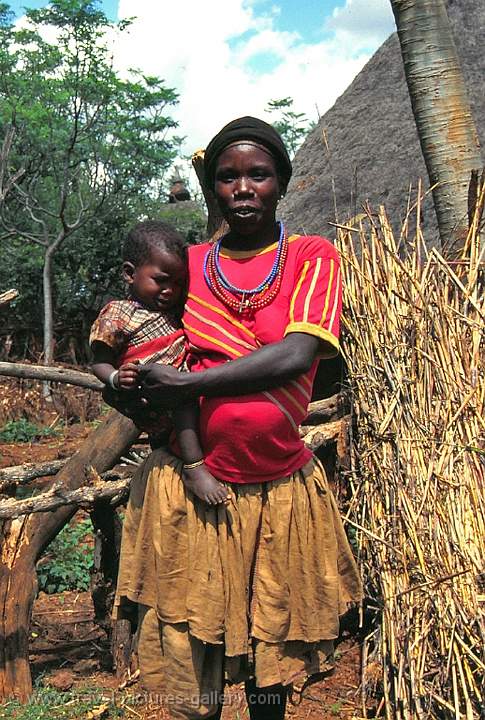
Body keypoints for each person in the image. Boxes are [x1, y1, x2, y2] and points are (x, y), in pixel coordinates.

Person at [112, 117, 362, 720]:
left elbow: (296, 354)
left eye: (259, 174)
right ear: (212, 189)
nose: (243, 188)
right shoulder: (185, 264)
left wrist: (189, 381)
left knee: (267, 648)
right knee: (196, 649)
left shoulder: (311, 257)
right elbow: (129, 336)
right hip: (193, 486)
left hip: (278, 489)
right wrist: (127, 383)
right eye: (228, 177)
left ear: (282, 182)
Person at [90, 220, 228, 504]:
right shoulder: (118, 314)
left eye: (178, 283)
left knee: (172, 442)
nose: (170, 290)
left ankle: (176, 475)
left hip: (183, 382)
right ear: (130, 273)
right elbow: (99, 362)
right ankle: (194, 469)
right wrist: (116, 378)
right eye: (161, 280)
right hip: (155, 390)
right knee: (180, 404)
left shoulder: (178, 309)